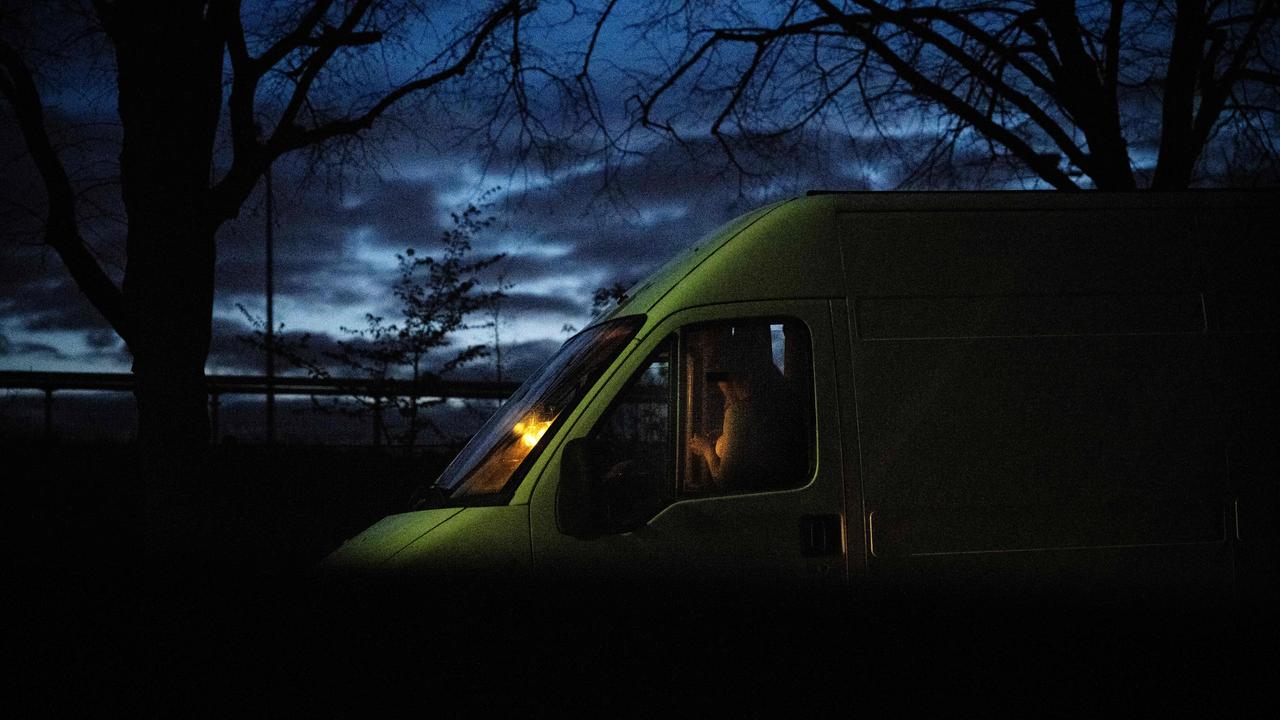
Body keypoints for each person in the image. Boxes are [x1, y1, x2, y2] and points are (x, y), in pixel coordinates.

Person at [686, 363, 806, 493]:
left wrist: (706, 450)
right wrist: (725, 436)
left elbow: (726, 480)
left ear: (735, 379)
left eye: (721, 381)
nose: (721, 388)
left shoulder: (739, 412)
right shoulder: (779, 406)